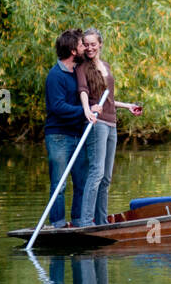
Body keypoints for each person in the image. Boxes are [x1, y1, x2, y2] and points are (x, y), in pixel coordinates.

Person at [76, 27, 142, 226]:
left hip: (112, 122)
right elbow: (83, 90)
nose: (89, 48)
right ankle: (87, 222)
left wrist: (127, 106)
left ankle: (102, 221)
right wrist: (86, 109)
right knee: (96, 173)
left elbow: (109, 99)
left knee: (106, 177)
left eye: (93, 44)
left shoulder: (105, 65)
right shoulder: (82, 68)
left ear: (100, 44)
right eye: (86, 45)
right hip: (97, 123)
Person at [43, 29, 94, 228]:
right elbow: (57, 107)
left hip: (79, 135)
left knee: (81, 182)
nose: (85, 48)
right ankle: (57, 224)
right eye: (82, 45)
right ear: (73, 50)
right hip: (58, 137)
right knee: (59, 184)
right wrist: (85, 111)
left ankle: (79, 222)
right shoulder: (55, 76)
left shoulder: (80, 71)